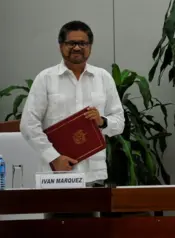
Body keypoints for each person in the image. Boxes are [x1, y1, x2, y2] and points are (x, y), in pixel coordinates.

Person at [20, 20, 124, 200]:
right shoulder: (46, 78)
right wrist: (54, 158)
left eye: (82, 43)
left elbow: (119, 123)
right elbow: (28, 125)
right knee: (56, 226)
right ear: (61, 46)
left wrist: (102, 122)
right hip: (56, 175)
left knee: (92, 226)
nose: (77, 48)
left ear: (90, 47)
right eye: (71, 43)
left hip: (94, 174)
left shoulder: (103, 78)